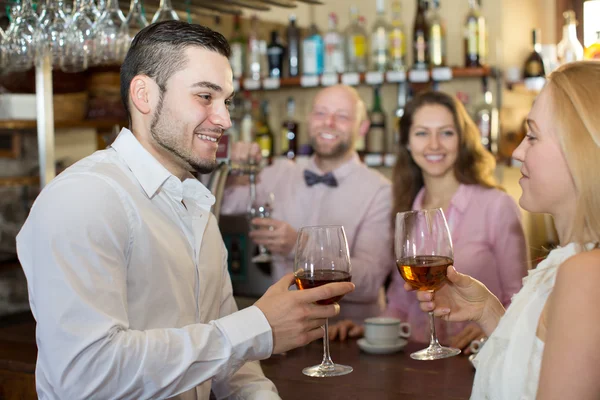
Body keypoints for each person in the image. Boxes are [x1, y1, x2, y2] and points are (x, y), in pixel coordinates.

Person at [16, 21, 354, 400]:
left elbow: (235, 366)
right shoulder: (84, 198)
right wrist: (256, 327)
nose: (225, 119)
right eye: (205, 97)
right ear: (143, 95)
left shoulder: (195, 207)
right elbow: (85, 375)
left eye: (226, 101)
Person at [412, 61, 600, 399]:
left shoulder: (585, 273)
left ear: (580, 149)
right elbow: (531, 366)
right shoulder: (568, 261)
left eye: (533, 135)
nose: (517, 152)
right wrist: (488, 310)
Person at [330, 91, 529, 352]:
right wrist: (371, 330)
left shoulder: (497, 206)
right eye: (422, 133)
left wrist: (489, 327)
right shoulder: (404, 209)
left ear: (462, 140)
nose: (434, 145)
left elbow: (522, 299)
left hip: (478, 360)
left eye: (446, 133)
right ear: (407, 143)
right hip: (417, 364)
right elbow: (400, 303)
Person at [221, 84, 394, 322]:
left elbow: (370, 282)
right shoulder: (280, 172)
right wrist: (234, 168)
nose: (328, 123)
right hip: (287, 332)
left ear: (362, 127)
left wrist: (298, 247)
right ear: (310, 119)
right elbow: (224, 204)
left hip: (349, 336)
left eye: (342, 116)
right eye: (321, 113)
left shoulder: (380, 190)